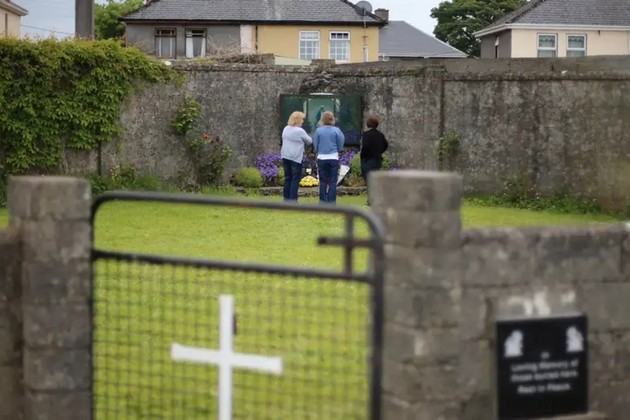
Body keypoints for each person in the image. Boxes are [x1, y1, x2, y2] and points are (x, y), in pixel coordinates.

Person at [313, 111, 345, 204]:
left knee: (322, 181)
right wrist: (338, 149)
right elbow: (341, 142)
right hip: (333, 157)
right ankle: (331, 202)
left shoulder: (318, 131)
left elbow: (315, 143)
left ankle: (322, 202)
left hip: (322, 157)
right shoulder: (336, 130)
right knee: (333, 181)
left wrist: (317, 150)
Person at [281, 111, 312, 201]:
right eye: (302, 119)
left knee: (288, 178)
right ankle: (293, 200)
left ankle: (286, 199)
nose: (302, 121)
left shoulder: (286, 128)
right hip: (295, 157)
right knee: (295, 179)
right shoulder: (300, 131)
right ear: (298, 120)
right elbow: (309, 141)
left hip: (285, 156)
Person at [360, 116, 389, 188]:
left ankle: (371, 194)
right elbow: (386, 144)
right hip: (377, 160)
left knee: (368, 180)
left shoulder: (366, 134)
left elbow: (365, 146)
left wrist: (363, 155)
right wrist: (379, 152)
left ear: (367, 124)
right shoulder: (380, 134)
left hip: (368, 160)